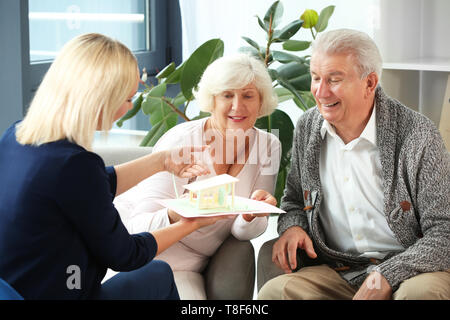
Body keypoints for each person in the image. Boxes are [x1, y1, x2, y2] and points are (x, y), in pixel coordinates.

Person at [0, 33, 228, 300]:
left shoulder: (16, 137)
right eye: (128, 99)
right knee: (158, 274)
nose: (129, 108)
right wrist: (191, 223)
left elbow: (87, 189)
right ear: (99, 97)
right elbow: (127, 255)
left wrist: (163, 161)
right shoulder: (74, 165)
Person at [257, 28, 450, 300]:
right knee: (276, 292)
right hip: (340, 270)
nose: (321, 92)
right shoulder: (308, 127)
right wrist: (293, 226)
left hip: (412, 270)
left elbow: (445, 231)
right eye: (315, 78)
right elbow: (293, 201)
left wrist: (386, 275)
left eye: (334, 80)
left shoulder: (417, 135)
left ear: (370, 83)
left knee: (421, 294)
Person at [114, 53, 281, 299]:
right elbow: (135, 229)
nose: (238, 106)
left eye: (248, 96)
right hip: (142, 256)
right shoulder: (181, 142)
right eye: (227, 95)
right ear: (212, 100)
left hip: (190, 265)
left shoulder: (268, 146)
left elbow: (243, 232)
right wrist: (177, 213)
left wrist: (251, 215)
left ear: (261, 101)